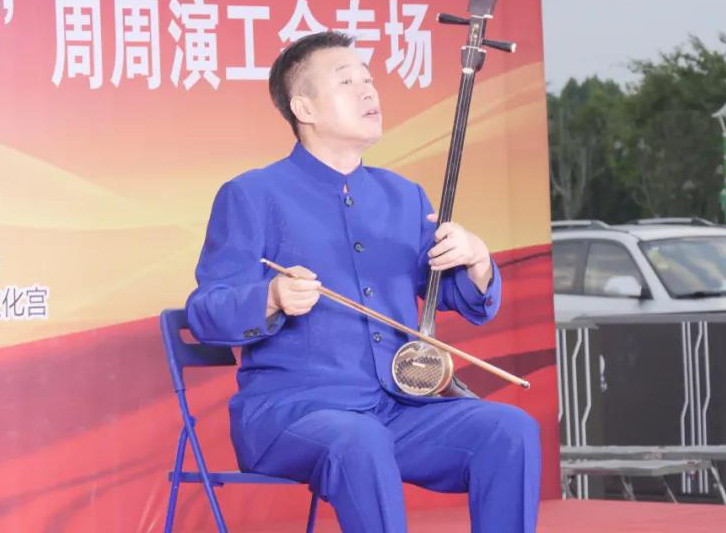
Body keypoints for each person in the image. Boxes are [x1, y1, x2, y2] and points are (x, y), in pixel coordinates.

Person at [185, 31, 540, 532]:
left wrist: (477, 259)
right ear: (304, 108)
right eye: (347, 81)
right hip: (292, 413)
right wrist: (271, 297)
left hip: (396, 410)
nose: (369, 91)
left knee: (509, 429)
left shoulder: (404, 197)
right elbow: (206, 312)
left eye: (369, 80)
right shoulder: (252, 195)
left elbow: (460, 298)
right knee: (359, 439)